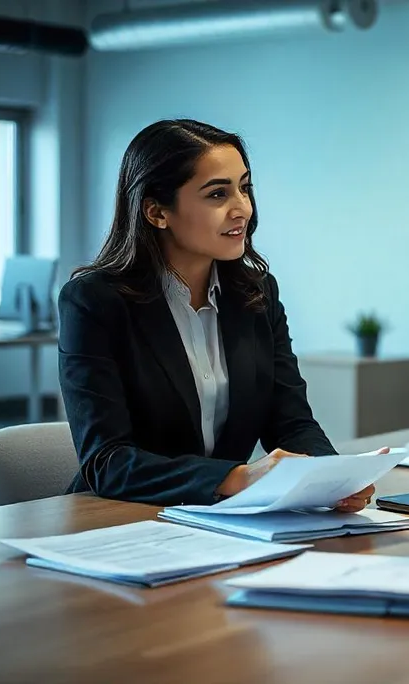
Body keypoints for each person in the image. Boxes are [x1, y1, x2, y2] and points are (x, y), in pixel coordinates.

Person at [59, 119, 376, 511]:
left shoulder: (256, 294)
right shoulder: (93, 302)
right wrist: (239, 477)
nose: (241, 208)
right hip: (120, 516)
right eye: (217, 194)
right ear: (157, 212)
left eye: (244, 188)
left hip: (224, 522)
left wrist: (332, 478)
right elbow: (107, 463)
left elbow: (291, 422)